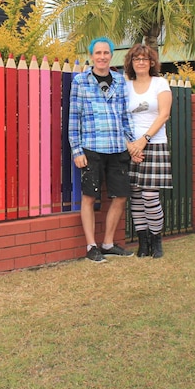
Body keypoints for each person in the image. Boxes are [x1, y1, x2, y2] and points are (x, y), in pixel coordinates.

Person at [68, 37, 137, 262]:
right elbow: (73, 118)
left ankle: (107, 243)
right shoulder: (80, 81)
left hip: (117, 148)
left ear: (111, 55)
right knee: (89, 197)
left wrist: (131, 142)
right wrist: (76, 150)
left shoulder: (119, 80)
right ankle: (91, 246)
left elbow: (126, 116)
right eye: (98, 53)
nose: (102, 57)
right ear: (91, 56)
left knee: (120, 196)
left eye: (106, 53)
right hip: (92, 147)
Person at [123, 43, 173, 258]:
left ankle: (156, 239)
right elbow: (120, 118)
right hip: (131, 146)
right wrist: (130, 145)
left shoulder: (160, 83)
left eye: (144, 59)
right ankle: (143, 242)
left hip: (154, 143)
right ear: (131, 63)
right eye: (136, 59)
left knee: (150, 196)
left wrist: (144, 140)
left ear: (151, 62)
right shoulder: (125, 85)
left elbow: (164, 114)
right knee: (135, 196)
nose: (141, 62)